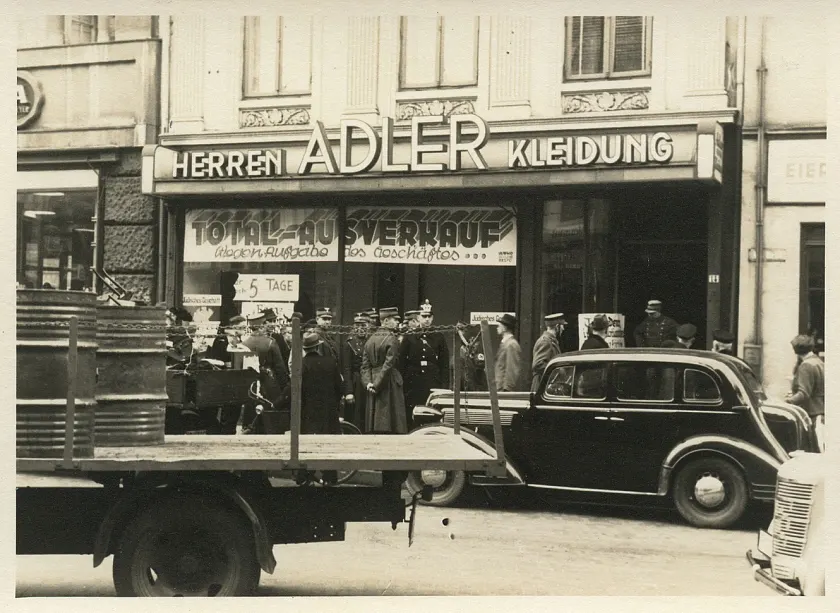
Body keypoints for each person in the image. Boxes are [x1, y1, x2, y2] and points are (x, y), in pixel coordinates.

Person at [298, 331, 342, 484]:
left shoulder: (301, 364)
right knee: (328, 444)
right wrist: (334, 403)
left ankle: (305, 477)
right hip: (328, 411)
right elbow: (339, 386)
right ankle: (330, 477)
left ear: (304, 349)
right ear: (318, 347)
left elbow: (296, 389)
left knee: (306, 444)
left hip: (308, 411)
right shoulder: (330, 362)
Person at [361, 306, 407, 434]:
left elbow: (365, 366)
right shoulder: (391, 338)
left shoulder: (370, 339)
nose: (397, 322)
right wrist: (377, 384)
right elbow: (388, 364)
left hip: (373, 380)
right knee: (391, 422)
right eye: (394, 319)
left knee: (375, 421)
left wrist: (368, 383)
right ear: (386, 321)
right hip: (388, 382)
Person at [785, 334, 825, 451]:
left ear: (796, 351)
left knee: (812, 448)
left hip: (811, 413)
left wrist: (787, 401)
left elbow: (803, 394)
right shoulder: (818, 362)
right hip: (820, 411)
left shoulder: (806, 365)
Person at [341, 312, 370, 429]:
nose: (360, 328)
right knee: (356, 416)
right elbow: (346, 369)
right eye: (357, 325)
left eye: (363, 325)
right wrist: (349, 392)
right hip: (356, 382)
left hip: (368, 381)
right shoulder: (349, 344)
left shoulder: (371, 341)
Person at [531, 313, 565, 391]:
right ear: (557, 327)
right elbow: (538, 365)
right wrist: (557, 371)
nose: (563, 329)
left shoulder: (551, 340)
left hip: (546, 385)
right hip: (542, 386)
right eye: (562, 326)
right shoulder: (545, 342)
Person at [495, 313, 523, 392]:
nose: (497, 328)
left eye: (499, 325)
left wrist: (507, 390)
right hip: (499, 388)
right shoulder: (506, 343)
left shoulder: (511, 345)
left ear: (504, 328)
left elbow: (512, 369)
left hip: (503, 390)